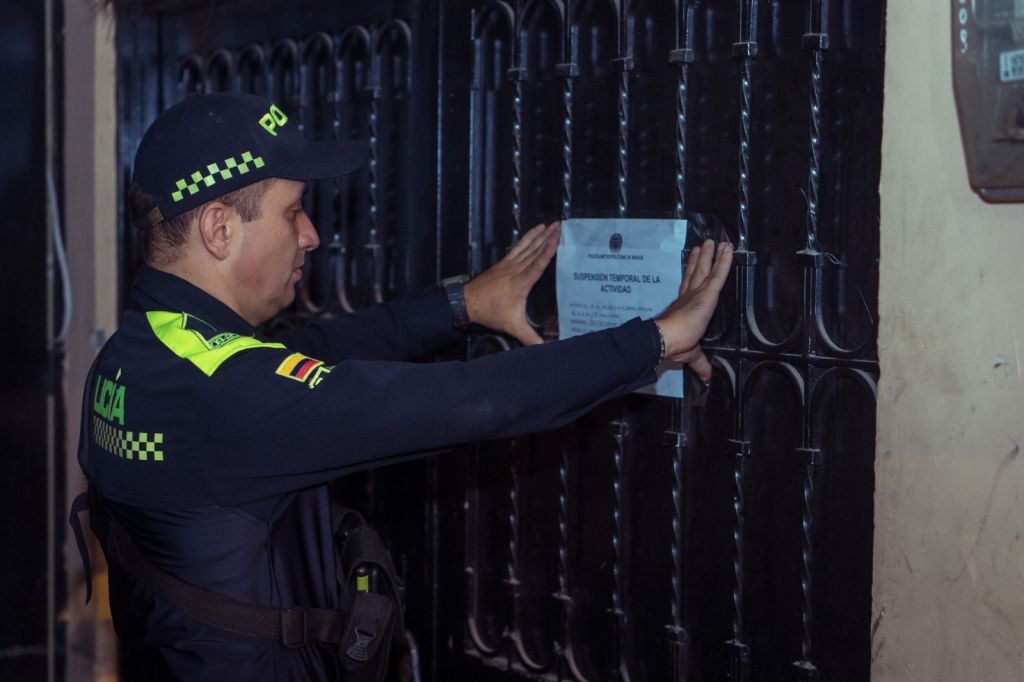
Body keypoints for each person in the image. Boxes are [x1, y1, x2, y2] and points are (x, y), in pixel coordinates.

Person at [72, 92, 732, 681]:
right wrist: (656, 339)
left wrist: (463, 304)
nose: (313, 235)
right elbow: (473, 402)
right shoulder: (225, 397)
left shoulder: (140, 353)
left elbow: (311, 354)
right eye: (293, 211)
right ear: (219, 227)